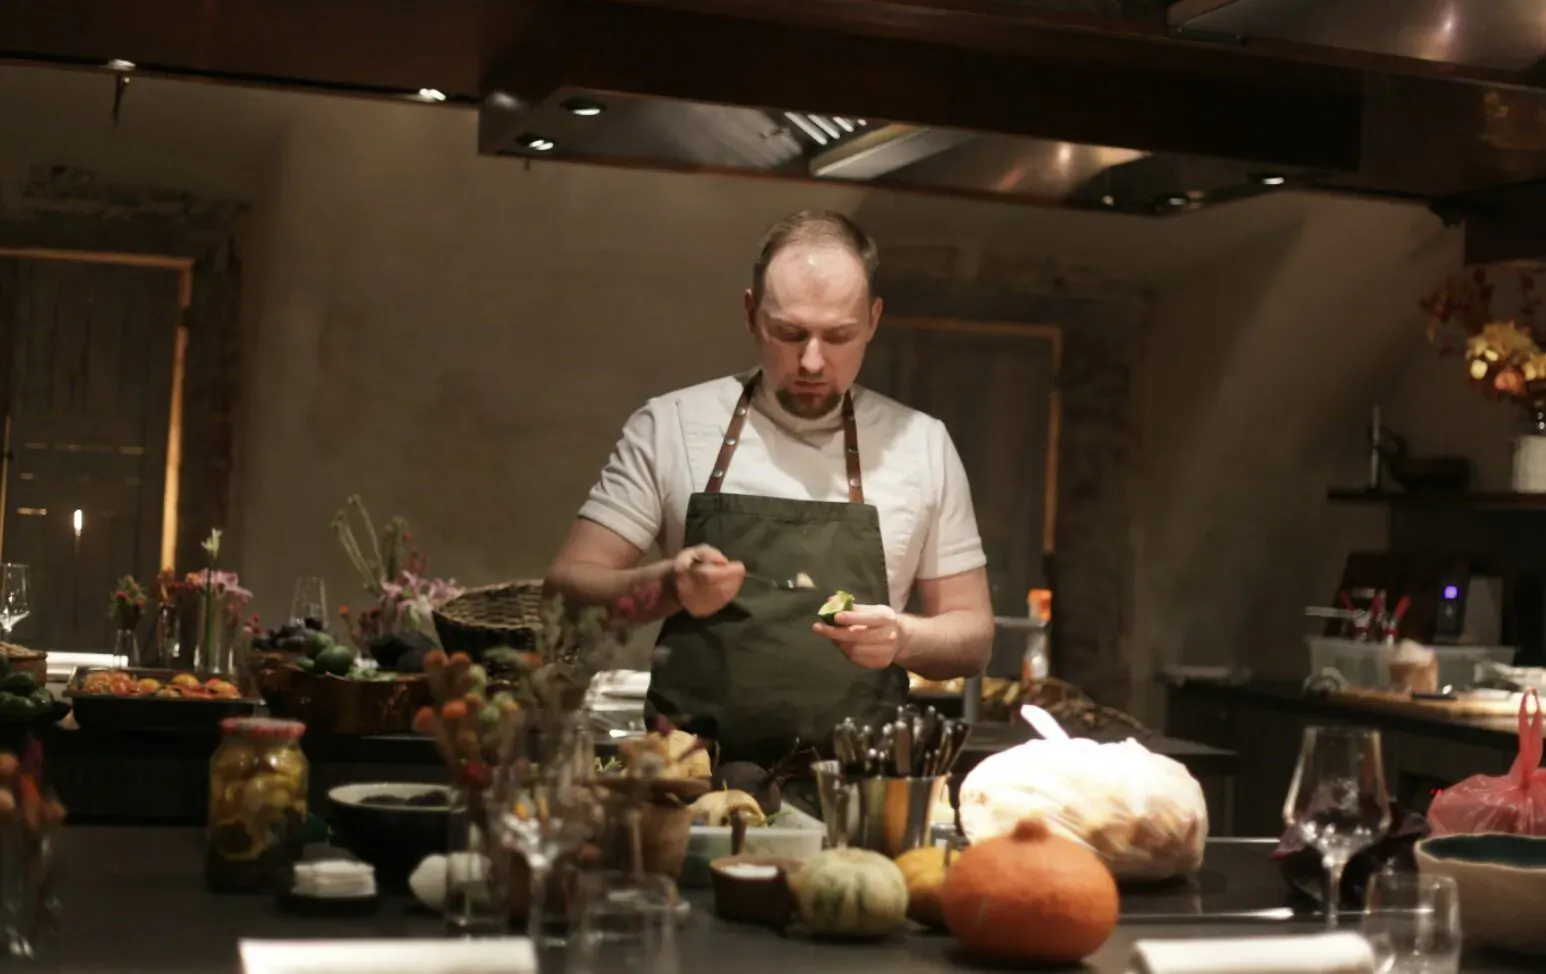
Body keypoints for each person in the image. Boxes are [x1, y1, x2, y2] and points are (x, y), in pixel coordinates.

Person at [545, 209, 993, 770]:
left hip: (856, 788)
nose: (811, 361)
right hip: (689, 786)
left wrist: (900, 637)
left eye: (838, 336)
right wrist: (669, 586)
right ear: (751, 313)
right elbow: (564, 594)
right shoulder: (672, 425)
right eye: (789, 333)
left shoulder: (922, 444)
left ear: (874, 321)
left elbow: (973, 638)